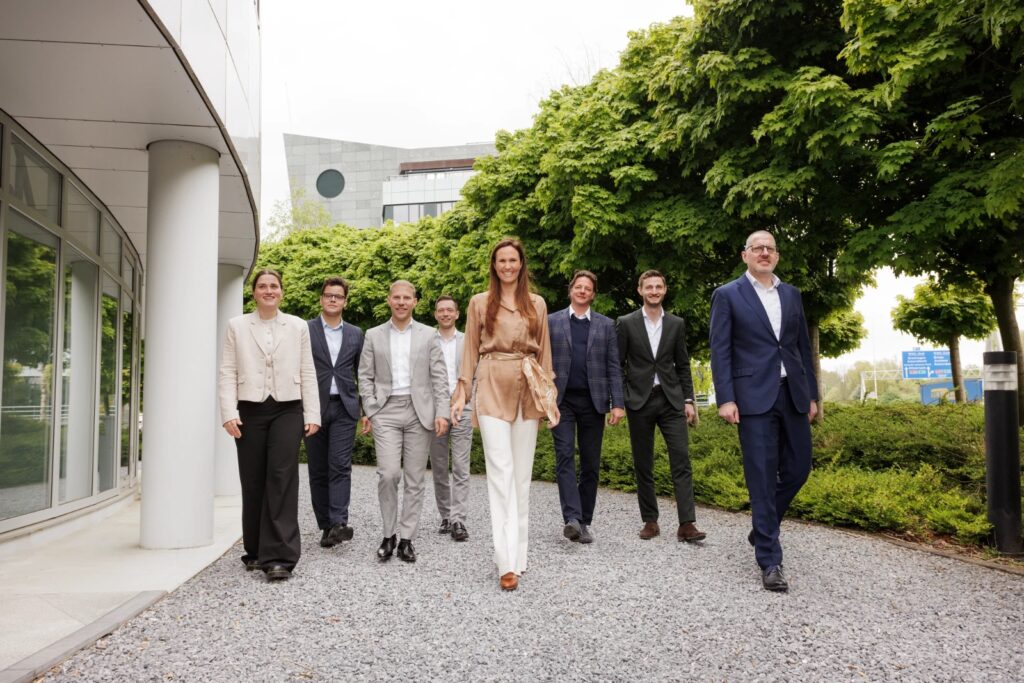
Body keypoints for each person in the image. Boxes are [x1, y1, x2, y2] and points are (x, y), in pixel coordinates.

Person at [709, 230, 818, 593]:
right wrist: (726, 398)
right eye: (757, 248)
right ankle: (770, 560)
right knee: (761, 476)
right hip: (752, 397)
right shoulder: (727, 294)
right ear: (745, 255)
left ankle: (761, 527)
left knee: (799, 468)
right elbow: (720, 350)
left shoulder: (791, 294)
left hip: (793, 394)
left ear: (777, 255)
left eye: (770, 248)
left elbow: (801, 348)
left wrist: (812, 395)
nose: (764, 253)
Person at [451, 238, 558, 592]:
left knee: (522, 477)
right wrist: (461, 392)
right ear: (494, 266)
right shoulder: (480, 302)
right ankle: (505, 562)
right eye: (502, 261)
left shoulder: (537, 303)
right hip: (492, 384)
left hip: (528, 386)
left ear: (521, 264)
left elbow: (545, 355)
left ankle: (519, 555)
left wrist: (550, 399)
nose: (507, 266)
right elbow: (470, 350)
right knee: (500, 474)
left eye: (513, 260)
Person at [218, 269, 320, 582]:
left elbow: (308, 370)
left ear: (281, 292)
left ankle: (279, 557)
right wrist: (228, 411)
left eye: (274, 285)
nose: (269, 290)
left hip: (288, 407)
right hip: (249, 408)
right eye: (262, 286)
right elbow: (227, 370)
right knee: (253, 479)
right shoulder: (237, 325)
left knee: (282, 476)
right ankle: (255, 549)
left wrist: (312, 413)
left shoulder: (298, 326)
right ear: (254, 292)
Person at [358, 280, 449, 564]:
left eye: (406, 298)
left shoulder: (429, 334)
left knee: (414, 478)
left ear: (415, 302)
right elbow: (365, 375)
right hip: (385, 410)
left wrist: (442, 412)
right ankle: (389, 535)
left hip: (419, 411)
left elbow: (439, 377)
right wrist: (371, 408)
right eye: (396, 297)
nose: (401, 302)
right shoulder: (373, 335)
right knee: (388, 474)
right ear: (389, 300)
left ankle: (407, 538)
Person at [616, 270, 705, 543]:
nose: (654, 291)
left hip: (671, 400)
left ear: (664, 290)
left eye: (658, 287)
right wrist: (623, 397)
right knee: (643, 463)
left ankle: (686, 524)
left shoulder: (676, 324)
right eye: (649, 287)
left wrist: (688, 400)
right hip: (639, 401)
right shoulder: (626, 323)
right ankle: (650, 521)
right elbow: (617, 364)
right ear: (640, 290)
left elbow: (683, 365)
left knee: (681, 460)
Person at [548, 270, 625, 544]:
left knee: (590, 464)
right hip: (561, 402)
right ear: (571, 290)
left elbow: (613, 366)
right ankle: (571, 517)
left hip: (594, 401)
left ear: (593, 294)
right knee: (565, 456)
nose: (582, 291)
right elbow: (542, 362)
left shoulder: (606, 325)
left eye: (587, 288)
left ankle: (584, 521)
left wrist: (618, 403)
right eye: (578, 286)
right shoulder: (551, 322)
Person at [304, 277, 363, 549]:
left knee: (340, 465)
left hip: (344, 407)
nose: (332, 299)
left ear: (345, 302)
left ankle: (339, 522)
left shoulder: (355, 333)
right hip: (313, 407)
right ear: (321, 299)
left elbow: (362, 372)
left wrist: (366, 409)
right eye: (328, 295)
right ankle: (326, 526)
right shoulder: (306, 330)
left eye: (338, 296)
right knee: (318, 468)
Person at [428, 295, 474, 542]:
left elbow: (475, 375)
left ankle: (458, 520)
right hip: (435, 411)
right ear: (436, 314)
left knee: (460, 466)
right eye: (441, 310)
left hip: (463, 407)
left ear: (457, 314)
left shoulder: (468, 342)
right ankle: (445, 515)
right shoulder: (426, 340)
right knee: (438, 466)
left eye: (449, 310)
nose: (445, 314)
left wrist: (464, 401)